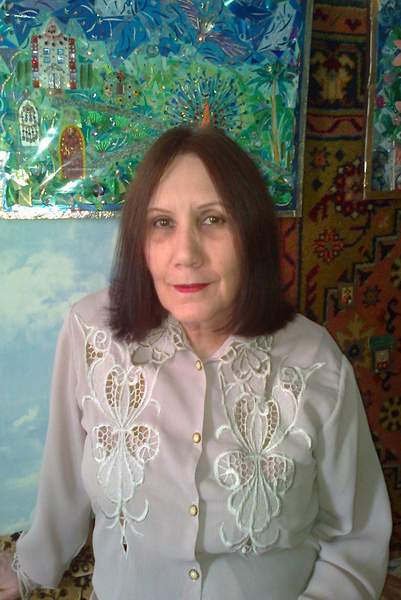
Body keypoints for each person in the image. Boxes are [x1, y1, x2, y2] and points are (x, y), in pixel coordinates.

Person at [0, 125, 392, 600]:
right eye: (162, 223)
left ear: (252, 234)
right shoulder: (91, 334)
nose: (185, 254)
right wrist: (30, 566)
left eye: (213, 219)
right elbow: (64, 478)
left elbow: (355, 537)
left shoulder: (315, 361)